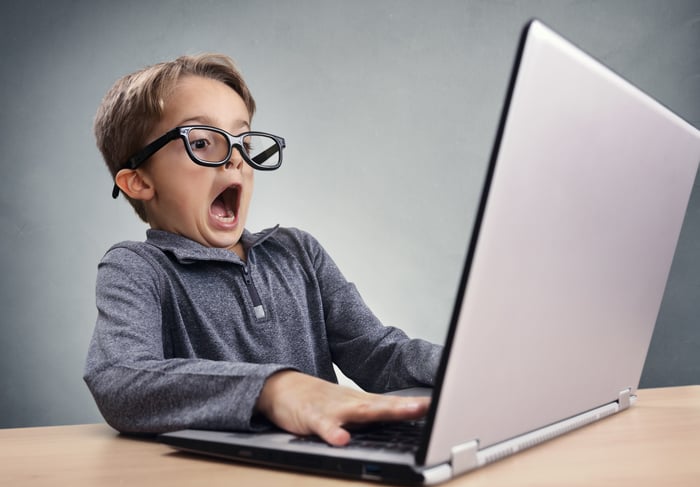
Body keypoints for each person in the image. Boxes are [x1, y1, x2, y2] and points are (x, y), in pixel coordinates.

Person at [83, 53, 442, 446]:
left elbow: (379, 355)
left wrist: (460, 367)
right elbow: (119, 378)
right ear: (138, 182)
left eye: (245, 141)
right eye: (202, 142)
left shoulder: (298, 252)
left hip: (326, 461)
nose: (236, 158)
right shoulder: (137, 268)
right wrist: (274, 390)